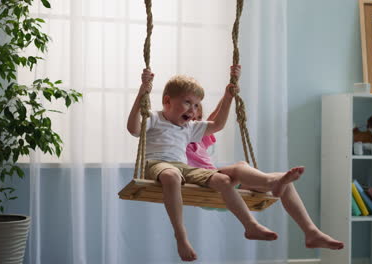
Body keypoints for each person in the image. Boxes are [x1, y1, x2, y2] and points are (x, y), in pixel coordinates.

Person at [127, 65, 304, 262]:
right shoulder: (154, 118)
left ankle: (250, 225)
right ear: (167, 101)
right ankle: (181, 236)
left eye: (196, 105)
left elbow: (217, 124)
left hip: (183, 167)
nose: (193, 110)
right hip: (156, 164)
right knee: (171, 175)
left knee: (222, 179)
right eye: (187, 103)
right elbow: (133, 128)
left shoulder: (189, 127)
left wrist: (228, 97)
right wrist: (142, 92)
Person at [186, 100, 345, 251]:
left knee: (286, 182)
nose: (197, 122)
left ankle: (311, 233)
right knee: (241, 166)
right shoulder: (174, 136)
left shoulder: (200, 137)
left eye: (199, 118)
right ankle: (272, 182)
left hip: (222, 185)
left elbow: (216, 118)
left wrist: (229, 94)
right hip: (201, 185)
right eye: (191, 119)